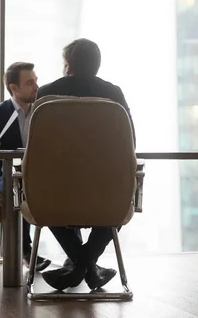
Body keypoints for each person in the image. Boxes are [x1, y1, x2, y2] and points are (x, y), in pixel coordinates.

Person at [36, 38, 135, 291]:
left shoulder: (46, 93)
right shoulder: (113, 93)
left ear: (67, 66)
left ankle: (79, 263)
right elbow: (130, 140)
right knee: (121, 200)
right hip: (106, 190)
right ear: (97, 66)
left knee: (42, 196)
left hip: (55, 190)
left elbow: (33, 142)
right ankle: (89, 263)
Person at [0, 62, 51, 272]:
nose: (36, 86)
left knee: (51, 188)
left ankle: (73, 257)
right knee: (18, 187)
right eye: (29, 83)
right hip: (0, 176)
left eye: (36, 81)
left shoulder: (45, 113)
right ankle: (26, 251)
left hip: (36, 175)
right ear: (13, 88)